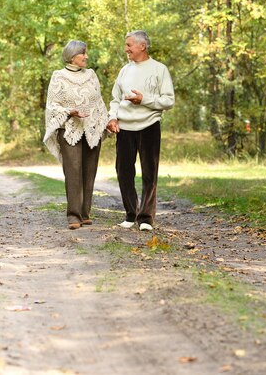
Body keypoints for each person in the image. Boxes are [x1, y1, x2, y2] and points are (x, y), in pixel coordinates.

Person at [107, 30, 174, 231]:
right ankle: (130, 214)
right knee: (123, 172)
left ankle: (145, 218)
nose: (126, 49)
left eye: (129, 45)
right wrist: (112, 117)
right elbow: (115, 99)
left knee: (149, 173)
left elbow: (168, 101)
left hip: (149, 126)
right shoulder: (124, 70)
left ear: (142, 46)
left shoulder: (159, 69)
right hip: (125, 128)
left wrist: (143, 99)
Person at [44, 40, 108, 229]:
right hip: (69, 128)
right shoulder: (59, 77)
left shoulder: (91, 75)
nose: (86, 57)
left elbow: (98, 102)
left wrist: (105, 122)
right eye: (83, 54)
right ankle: (73, 215)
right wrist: (70, 111)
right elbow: (52, 105)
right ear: (72, 57)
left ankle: (85, 213)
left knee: (90, 170)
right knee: (73, 171)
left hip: (91, 127)